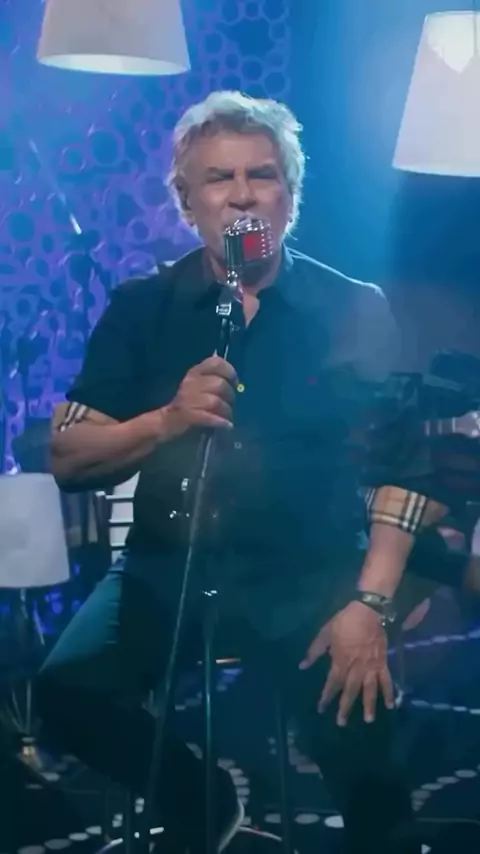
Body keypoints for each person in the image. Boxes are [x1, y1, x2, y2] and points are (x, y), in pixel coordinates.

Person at [37, 91, 451, 854]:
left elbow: (405, 471)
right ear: (186, 201)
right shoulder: (143, 306)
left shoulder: (353, 308)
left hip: (308, 580)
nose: (242, 195)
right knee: (64, 691)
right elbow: (69, 455)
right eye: (219, 178)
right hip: (166, 570)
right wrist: (164, 421)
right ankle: (201, 799)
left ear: (289, 196)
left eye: (262, 175)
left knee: (373, 786)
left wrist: (370, 604)